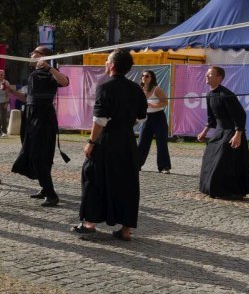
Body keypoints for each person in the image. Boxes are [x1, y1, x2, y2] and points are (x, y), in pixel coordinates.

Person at [74, 49, 148, 241]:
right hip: (127, 141)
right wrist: (124, 124)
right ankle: (125, 230)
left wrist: (91, 142)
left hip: (107, 141)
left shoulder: (105, 86)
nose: (105, 64)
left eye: (107, 61)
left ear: (112, 65)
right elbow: (141, 117)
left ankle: (89, 223)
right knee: (127, 183)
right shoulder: (136, 89)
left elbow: (100, 119)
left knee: (92, 176)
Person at [10, 46, 71, 207]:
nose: (31, 54)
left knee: (39, 154)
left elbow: (65, 82)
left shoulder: (50, 73)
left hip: (44, 116)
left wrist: (49, 67)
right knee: (32, 152)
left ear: (43, 56)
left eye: (35, 53)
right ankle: (45, 188)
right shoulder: (33, 75)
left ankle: (51, 194)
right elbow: (27, 98)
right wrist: (10, 90)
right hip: (31, 114)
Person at [197, 66, 249, 200]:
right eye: (206, 74)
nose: (206, 76)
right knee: (209, 157)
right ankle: (210, 188)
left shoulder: (226, 95)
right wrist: (204, 132)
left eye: (210, 74)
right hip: (219, 131)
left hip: (232, 131)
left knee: (222, 160)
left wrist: (238, 134)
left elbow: (240, 115)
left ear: (219, 78)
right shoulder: (209, 95)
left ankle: (229, 191)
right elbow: (211, 118)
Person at [136, 70, 171, 173]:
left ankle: (164, 166)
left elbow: (165, 102)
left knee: (161, 142)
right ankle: (137, 164)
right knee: (142, 142)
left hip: (158, 117)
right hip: (146, 117)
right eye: (143, 75)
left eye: (147, 76)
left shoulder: (157, 89)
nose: (144, 77)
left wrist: (153, 105)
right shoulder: (140, 90)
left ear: (152, 78)